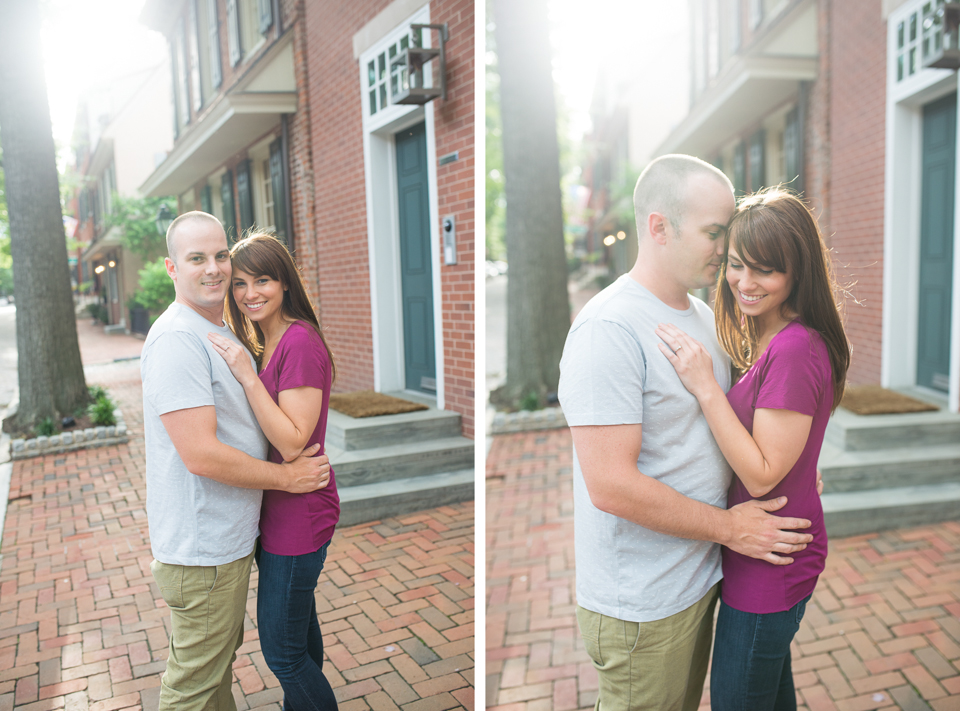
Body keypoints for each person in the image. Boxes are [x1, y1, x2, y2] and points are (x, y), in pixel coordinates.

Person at [557, 155, 816, 711]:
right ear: (659, 227)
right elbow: (610, 486)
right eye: (715, 232)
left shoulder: (702, 313)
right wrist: (729, 528)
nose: (728, 249)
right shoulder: (610, 329)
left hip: (701, 578)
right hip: (644, 604)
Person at [655, 188, 850, 710]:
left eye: (765, 270)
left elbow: (763, 473)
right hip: (759, 550)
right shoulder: (765, 337)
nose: (745, 282)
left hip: (772, 562)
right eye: (737, 265)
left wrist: (704, 386)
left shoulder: (792, 348)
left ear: (796, 273)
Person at [141, 211, 332, 711]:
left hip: (239, 535)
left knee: (233, 666)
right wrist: (286, 479)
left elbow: (283, 426)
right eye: (196, 258)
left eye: (220, 255)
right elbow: (201, 454)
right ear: (171, 267)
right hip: (204, 545)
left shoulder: (229, 331)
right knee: (199, 684)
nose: (215, 270)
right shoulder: (178, 339)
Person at [207, 232, 340, 710]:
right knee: (300, 637)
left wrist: (245, 373)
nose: (250, 294)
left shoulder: (298, 342)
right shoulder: (271, 339)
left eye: (262, 279)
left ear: (284, 282)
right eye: (239, 283)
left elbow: (291, 442)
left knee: (283, 655)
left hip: (299, 517)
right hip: (280, 512)